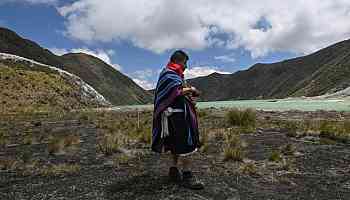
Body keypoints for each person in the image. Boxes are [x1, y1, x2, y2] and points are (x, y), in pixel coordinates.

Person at [152, 50, 204, 190]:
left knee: (175, 143)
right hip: (177, 117)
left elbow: (178, 93)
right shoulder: (169, 74)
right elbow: (175, 92)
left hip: (177, 116)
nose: (186, 66)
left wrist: (189, 96)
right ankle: (187, 175)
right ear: (179, 61)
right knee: (187, 143)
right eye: (185, 63)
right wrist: (191, 89)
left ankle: (173, 170)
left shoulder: (174, 75)